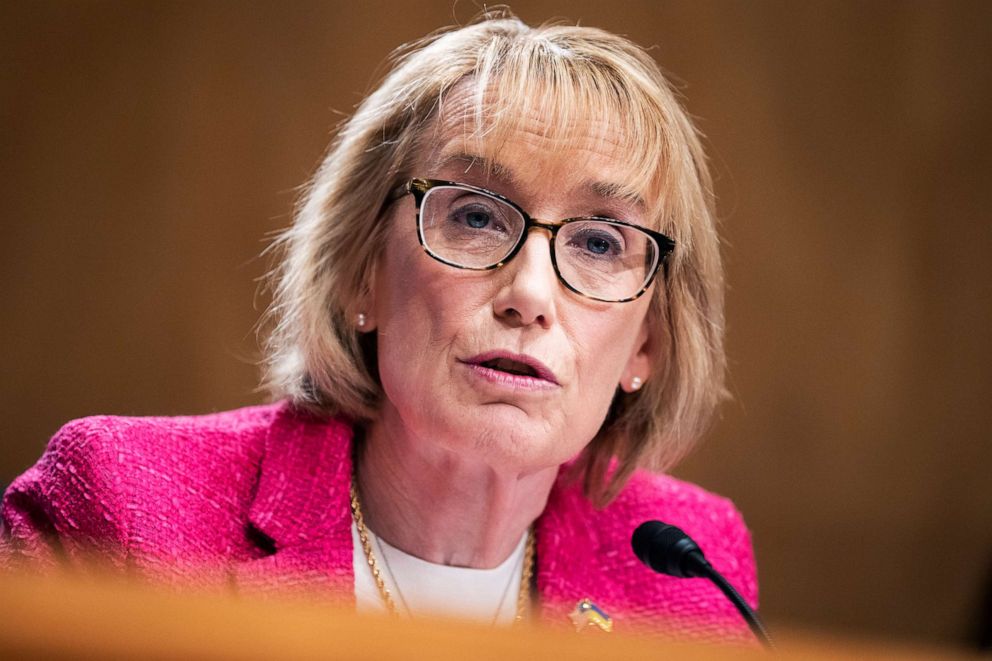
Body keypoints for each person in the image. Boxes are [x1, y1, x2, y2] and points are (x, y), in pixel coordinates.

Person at [0, 12, 757, 642]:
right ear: (362, 272)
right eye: (473, 216)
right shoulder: (126, 514)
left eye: (599, 243)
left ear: (648, 342)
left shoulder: (689, 572)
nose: (529, 293)